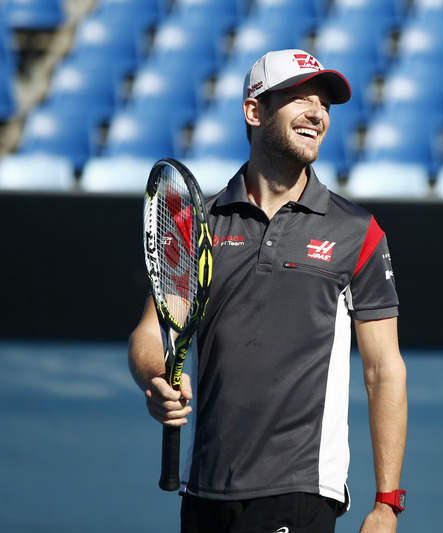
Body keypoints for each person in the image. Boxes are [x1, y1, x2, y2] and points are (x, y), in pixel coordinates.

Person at [128, 49, 407, 533]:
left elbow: (384, 370)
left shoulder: (358, 231)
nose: (318, 113)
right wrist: (156, 376)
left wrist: (387, 501)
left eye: (323, 103)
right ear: (254, 111)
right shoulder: (197, 224)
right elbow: (150, 334)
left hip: (299, 490)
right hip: (203, 489)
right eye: (300, 98)